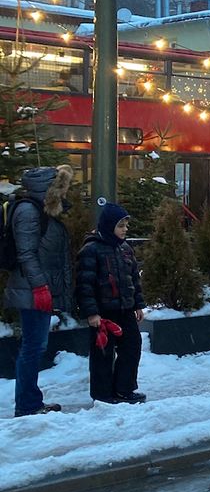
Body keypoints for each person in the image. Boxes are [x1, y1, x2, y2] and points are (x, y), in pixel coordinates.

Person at [6, 164, 74, 417]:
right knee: (33, 347)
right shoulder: (28, 211)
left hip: (35, 287)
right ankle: (27, 405)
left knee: (35, 346)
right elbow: (26, 254)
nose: (65, 193)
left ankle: (30, 401)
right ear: (49, 189)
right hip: (32, 289)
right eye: (61, 188)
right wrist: (41, 288)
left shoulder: (41, 210)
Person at [75, 203, 146, 404]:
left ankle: (124, 388)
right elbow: (85, 285)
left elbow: (133, 279)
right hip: (103, 313)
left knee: (132, 347)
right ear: (108, 226)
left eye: (126, 225)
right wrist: (92, 313)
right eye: (120, 225)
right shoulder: (91, 250)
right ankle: (103, 393)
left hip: (125, 309)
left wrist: (137, 304)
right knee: (103, 354)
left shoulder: (125, 249)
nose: (125, 229)